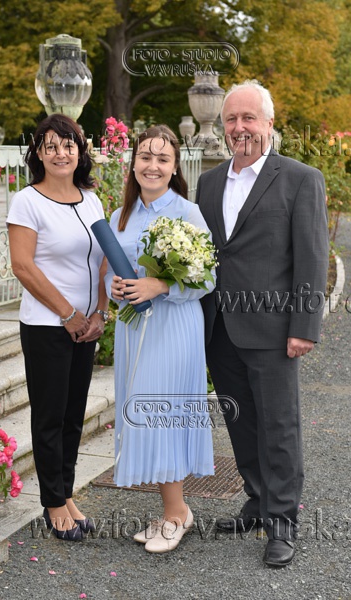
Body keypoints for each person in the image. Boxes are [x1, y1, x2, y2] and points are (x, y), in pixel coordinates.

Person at [196, 80, 329, 566]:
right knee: (241, 421)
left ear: (269, 123)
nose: (239, 127)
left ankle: (282, 522)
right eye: (231, 119)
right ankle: (256, 500)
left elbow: (312, 257)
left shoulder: (300, 179)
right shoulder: (210, 182)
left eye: (248, 118)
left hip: (274, 330)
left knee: (279, 426)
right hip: (220, 328)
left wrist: (304, 326)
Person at [105, 125, 215, 554]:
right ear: (134, 163)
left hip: (174, 327)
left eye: (163, 159)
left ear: (174, 167)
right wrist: (118, 289)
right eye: (146, 157)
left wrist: (162, 286)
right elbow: (116, 273)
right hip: (133, 327)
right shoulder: (120, 216)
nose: (153, 165)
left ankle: (176, 514)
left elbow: (208, 278)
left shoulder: (188, 212)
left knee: (162, 412)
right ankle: (173, 509)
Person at [7, 114, 109, 541]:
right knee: (50, 416)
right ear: (39, 153)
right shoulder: (27, 201)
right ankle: (52, 503)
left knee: (73, 416)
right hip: (48, 325)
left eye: (68, 145)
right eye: (50, 145)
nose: (60, 153)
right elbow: (23, 266)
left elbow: (103, 261)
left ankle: (66, 494)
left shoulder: (91, 200)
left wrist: (100, 313)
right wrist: (68, 314)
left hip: (86, 326)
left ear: (80, 151)